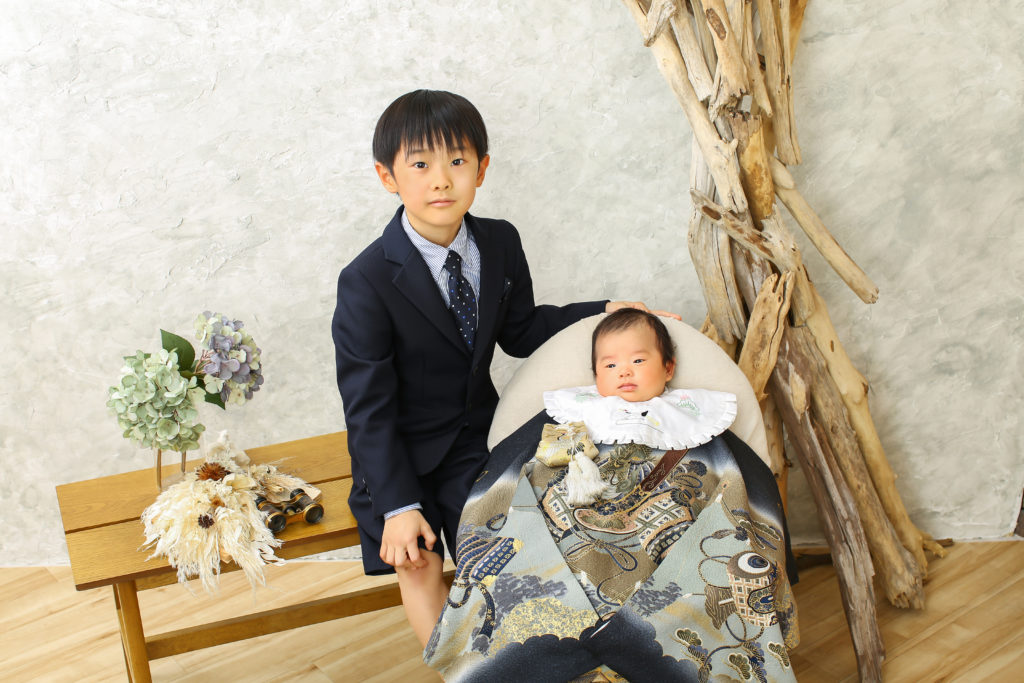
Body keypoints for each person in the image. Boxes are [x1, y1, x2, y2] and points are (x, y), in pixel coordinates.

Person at [332, 89, 677, 646]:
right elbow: (367, 408)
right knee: (416, 560)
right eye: (420, 165)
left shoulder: (499, 242)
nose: (441, 180)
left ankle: (529, 657)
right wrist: (397, 506)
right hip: (393, 456)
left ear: (482, 168)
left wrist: (605, 311)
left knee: (506, 550)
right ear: (386, 176)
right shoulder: (365, 280)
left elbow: (522, 331)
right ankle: (460, 672)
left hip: (473, 441)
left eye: (457, 161)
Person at [423, 309, 798, 681]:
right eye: (611, 365)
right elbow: (523, 468)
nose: (625, 372)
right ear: (596, 374)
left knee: (713, 556)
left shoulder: (695, 416)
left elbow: (733, 478)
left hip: (671, 523)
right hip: (581, 517)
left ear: (668, 367)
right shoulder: (573, 413)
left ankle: (637, 651)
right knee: (541, 549)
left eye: (638, 360)